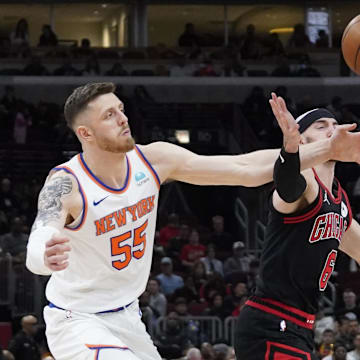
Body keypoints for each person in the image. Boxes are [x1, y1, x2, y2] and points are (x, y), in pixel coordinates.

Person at [26, 82, 360, 360]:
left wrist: (331, 149)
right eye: (109, 115)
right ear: (84, 132)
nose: (122, 118)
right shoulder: (66, 182)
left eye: (121, 109)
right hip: (77, 319)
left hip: (127, 315)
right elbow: (42, 233)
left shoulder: (154, 160)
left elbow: (245, 168)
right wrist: (45, 255)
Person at [235, 94, 360, 360]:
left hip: (300, 325)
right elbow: (287, 185)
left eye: (334, 124)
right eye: (321, 126)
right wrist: (290, 150)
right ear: (302, 139)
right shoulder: (305, 180)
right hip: (271, 320)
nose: (333, 130)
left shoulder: (339, 202)